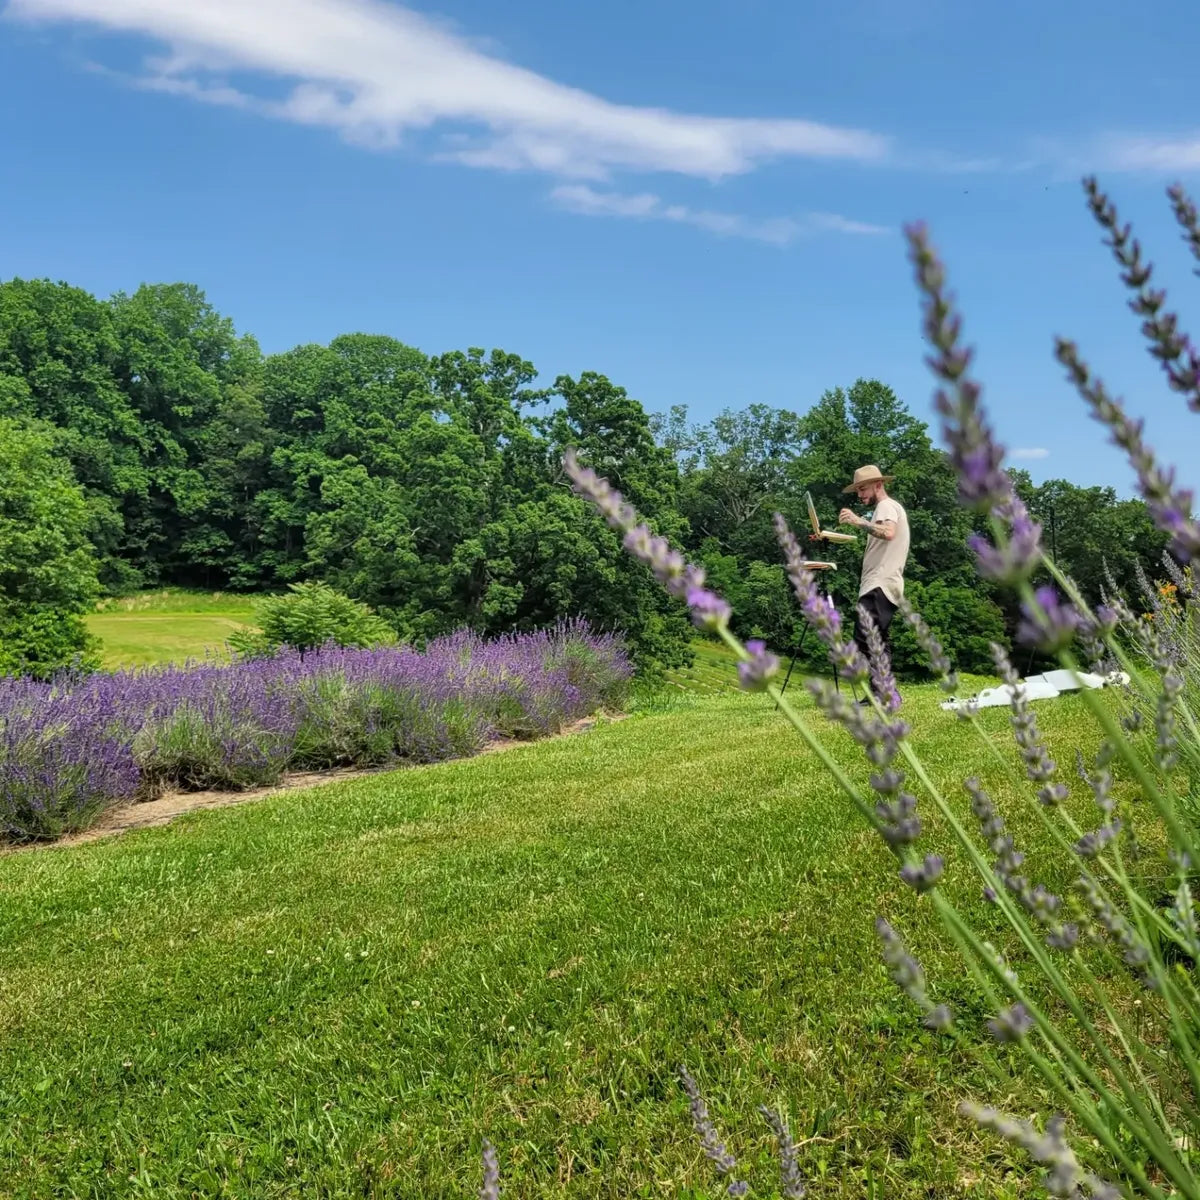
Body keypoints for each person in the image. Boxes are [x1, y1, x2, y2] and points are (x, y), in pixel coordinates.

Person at [838, 464, 910, 693]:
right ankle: (881, 692)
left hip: (880, 583)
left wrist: (858, 521)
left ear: (878, 485)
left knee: (865, 637)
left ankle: (886, 692)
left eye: (863, 489)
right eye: (858, 490)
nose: (860, 495)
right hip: (881, 583)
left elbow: (888, 533)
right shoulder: (886, 509)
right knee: (875, 637)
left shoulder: (886, 506)